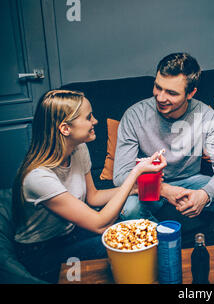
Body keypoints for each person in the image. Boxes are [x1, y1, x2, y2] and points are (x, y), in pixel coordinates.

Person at [12, 90, 167, 283]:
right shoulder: (38, 178)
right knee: (124, 247)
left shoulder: (78, 148)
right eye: (88, 117)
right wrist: (136, 172)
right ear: (65, 129)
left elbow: (92, 197)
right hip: (43, 253)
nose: (95, 121)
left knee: (131, 231)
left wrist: (135, 187)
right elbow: (98, 223)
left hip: (71, 234)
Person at [113, 53, 214, 244]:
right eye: (158, 87)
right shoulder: (135, 115)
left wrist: (204, 194)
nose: (160, 97)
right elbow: (120, 176)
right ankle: (171, 252)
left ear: (191, 93)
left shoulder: (205, 115)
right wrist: (164, 189)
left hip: (192, 180)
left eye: (171, 93)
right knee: (128, 209)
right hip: (150, 185)